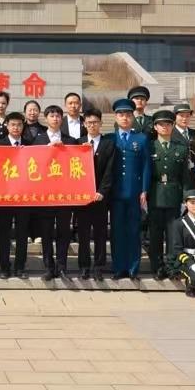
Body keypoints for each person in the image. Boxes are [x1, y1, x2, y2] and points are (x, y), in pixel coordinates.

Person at [148, 109, 195, 280]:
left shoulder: (181, 148)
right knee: (155, 235)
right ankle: (157, 267)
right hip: (154, 196)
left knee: (173, 235)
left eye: (168, 124)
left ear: (172, 126)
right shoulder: (149, 147)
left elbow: (185, 177)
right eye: (161, 124)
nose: (165, 127)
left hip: (174, 196)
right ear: (155, 127)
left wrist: (185, 199)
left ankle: (171, 267)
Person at [31, 104, 78, 280]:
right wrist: (47, 149)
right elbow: (32, 164)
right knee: (46, 233)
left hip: (65, 195)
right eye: (51, 115)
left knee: (64, 232)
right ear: (46, 118)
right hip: (46, 195)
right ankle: (49, 267)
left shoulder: (70, 141)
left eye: (58, 115)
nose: (55, 118)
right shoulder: (38, 140)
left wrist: (65, 149)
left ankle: (62, 267)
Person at [110, 98, 150, 280]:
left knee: (134, 231)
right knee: (117, 231)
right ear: (115, 117)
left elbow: (146, 166)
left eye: (128, 114)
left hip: (134, 193)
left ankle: (133, 268)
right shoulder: (109, 139)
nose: (124, 118)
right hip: (115, 193)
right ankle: (119, 267)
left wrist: (144, 190)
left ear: (132, 117)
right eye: (121, 114)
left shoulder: (141, 138)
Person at [75, 108, 116, 280]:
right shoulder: (78, 143)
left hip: (100, 197)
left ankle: (99, 266)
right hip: (82, 198)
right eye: (89, 122)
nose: (92, 125)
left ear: (101, 123)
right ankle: (84, 266)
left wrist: (102, 191)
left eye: (95, 122)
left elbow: (110, 170)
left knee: (100, 233)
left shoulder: (109, 143)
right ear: (84, 124)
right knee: (83, 234)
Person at [0, 111, 28, 278]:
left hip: (24, 197)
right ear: (7, 126)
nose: (16, 128)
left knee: (22, 234)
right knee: (4, 234)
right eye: (13, 124)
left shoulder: (29, 145)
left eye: (19, 125)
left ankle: (20, 267)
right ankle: (4, 267)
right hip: (5, 197)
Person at [172, 102, 195, 184]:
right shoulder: (170, 133)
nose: (185, 119)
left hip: (191, 175)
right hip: (175, 176)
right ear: (174, 116)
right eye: (181, 116)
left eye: (187, 116)